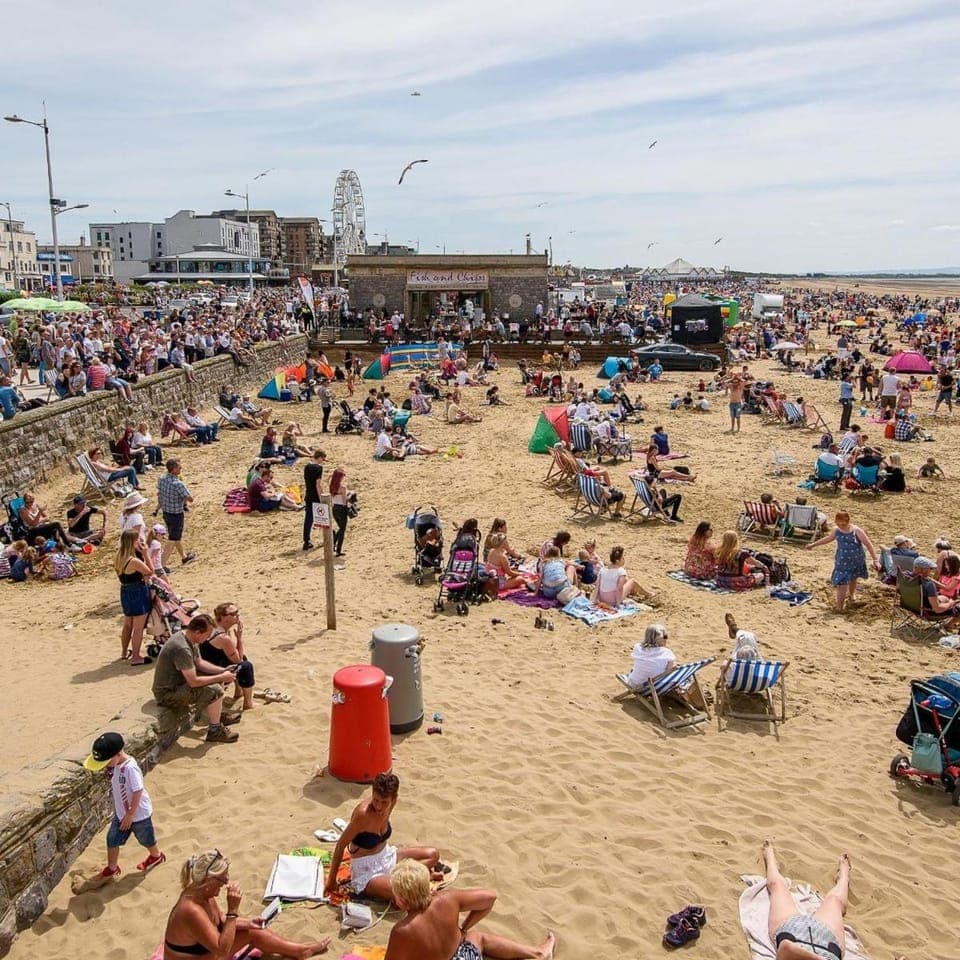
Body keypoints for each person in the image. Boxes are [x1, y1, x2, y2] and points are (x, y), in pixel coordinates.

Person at [163, 850, 330, 960]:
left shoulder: (202, 893)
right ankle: (299, 951)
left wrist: (248, 922)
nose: (226, 883)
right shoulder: (191, 910)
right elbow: (221, 949)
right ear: (209, 880)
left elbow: (220, 920)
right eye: (223, 879)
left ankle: (299, 950)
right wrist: (233, 910)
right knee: (250, 934)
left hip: (205, 953)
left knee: (254, 931)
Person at [385, 858, 556, 960]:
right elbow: (490, 897)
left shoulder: (402, 931)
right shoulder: (447, 899)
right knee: (476, 937)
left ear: (402, 899)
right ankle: (538, 953)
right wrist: (464, 929)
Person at [324, 773, 444, 903]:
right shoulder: (363, 814)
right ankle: (418, 878)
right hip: (367, 871)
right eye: (375, 800)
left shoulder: (392, 803)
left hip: (386, 855)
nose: (379, 806)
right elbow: (341, 845)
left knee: (433, 854)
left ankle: (416, 878)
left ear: (394, 798)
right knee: (401, 893)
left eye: (384, 802)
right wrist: (331, 880)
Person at [84, 731, 164, 880]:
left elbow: (138, 790)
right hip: (121, 814)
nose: (105, 766)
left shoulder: (130, 768)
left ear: (118, 754)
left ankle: (156, 856)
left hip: (138, 815)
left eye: (106, 762)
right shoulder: (115, 765)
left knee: (146, 838)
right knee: (112, 839)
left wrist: (130, 814)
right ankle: (112, 868)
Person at [151, 614, 241, 743]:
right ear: (198, 632)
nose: (208, 638)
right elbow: (193, 682)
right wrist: (221, 676)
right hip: (168, 694)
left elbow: (199, 662)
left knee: (216, 679)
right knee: (215, 690)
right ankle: (214, 730)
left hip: (179, 684)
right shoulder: (182, 648)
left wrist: (222, 671)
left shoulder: (190, 638)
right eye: (207, 635)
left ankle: (217, 716)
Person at [762, 841, 850, 960]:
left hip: (792, 930)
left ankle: (771, 860)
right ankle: (844, 876)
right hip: (828, 941)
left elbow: (786, 947)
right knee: (834, 900)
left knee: (777, 885)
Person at [807, 510, 879, 613]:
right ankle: (839, 607)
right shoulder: (836, 530)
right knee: (842, 583)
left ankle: (852, 595)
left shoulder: (856, 531)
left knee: (853, 577)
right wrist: (813, 545)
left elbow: (868, 544)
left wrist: (875, 560)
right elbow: (828, 539)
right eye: (839, 524)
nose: (841, 526)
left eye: (843, 524)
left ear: (848, 521)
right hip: (842, 561)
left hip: (856, 560)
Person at [624, 623, 706, 708]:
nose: (666, 639)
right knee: (684, 675)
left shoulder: (637, 647)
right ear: (659, 639)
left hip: (635, 684)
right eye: (665, 637)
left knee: (635, 669)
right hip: (656, 689)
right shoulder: (667, 653)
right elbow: (669, 672)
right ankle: (684, 692)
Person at [201, 603, 256, 711]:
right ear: (223, 617)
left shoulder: (214, 627)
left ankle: (238, 692)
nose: (238, 615)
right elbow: (238, 660)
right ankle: (248, 703)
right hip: (214, 673)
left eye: (237, 612)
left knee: (241, 658)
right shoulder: (223, 637)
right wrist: (239, 639)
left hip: (207, 665)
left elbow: (232, 652)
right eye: (234, 613)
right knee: (246, 665)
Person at [115, 529, 155, 665]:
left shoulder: (119, 556)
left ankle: (124, 652)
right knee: (138, 627)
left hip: (125, 591)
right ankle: (136, 657)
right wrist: (145, 553)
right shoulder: (133, 561)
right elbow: (150, 571)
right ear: (133, 541)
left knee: (128, 624)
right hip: (137, 592)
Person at [157, 459, 197, 566]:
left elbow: (159, 493)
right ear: (174, 469)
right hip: (176, 514)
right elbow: (190, 499)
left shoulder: (161, 478)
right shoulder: (178, 484)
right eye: (179, 467)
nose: (181, 468)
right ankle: (161, 565)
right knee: (173, 539)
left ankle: (184, 557)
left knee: (175, 536)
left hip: (166, 512)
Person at [302, 449, 327, 551]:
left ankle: (306, 540)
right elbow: (318, 484)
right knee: (323, 517)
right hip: (315, 496)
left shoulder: (307, 467)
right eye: (323, 459)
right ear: (320, 457)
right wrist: (321, 497)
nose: (323, 461)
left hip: (308, 494)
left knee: (308, 519)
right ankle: (326, 538)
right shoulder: (319, 468)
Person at [330, 467, 354, 557]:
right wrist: (350, 494)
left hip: (335, 508)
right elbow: (345, 501)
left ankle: (333, 544)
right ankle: (338, 549)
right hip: (342, 509)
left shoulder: (331, 486)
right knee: (342, 530)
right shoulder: (342, 487)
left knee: (340, 528)